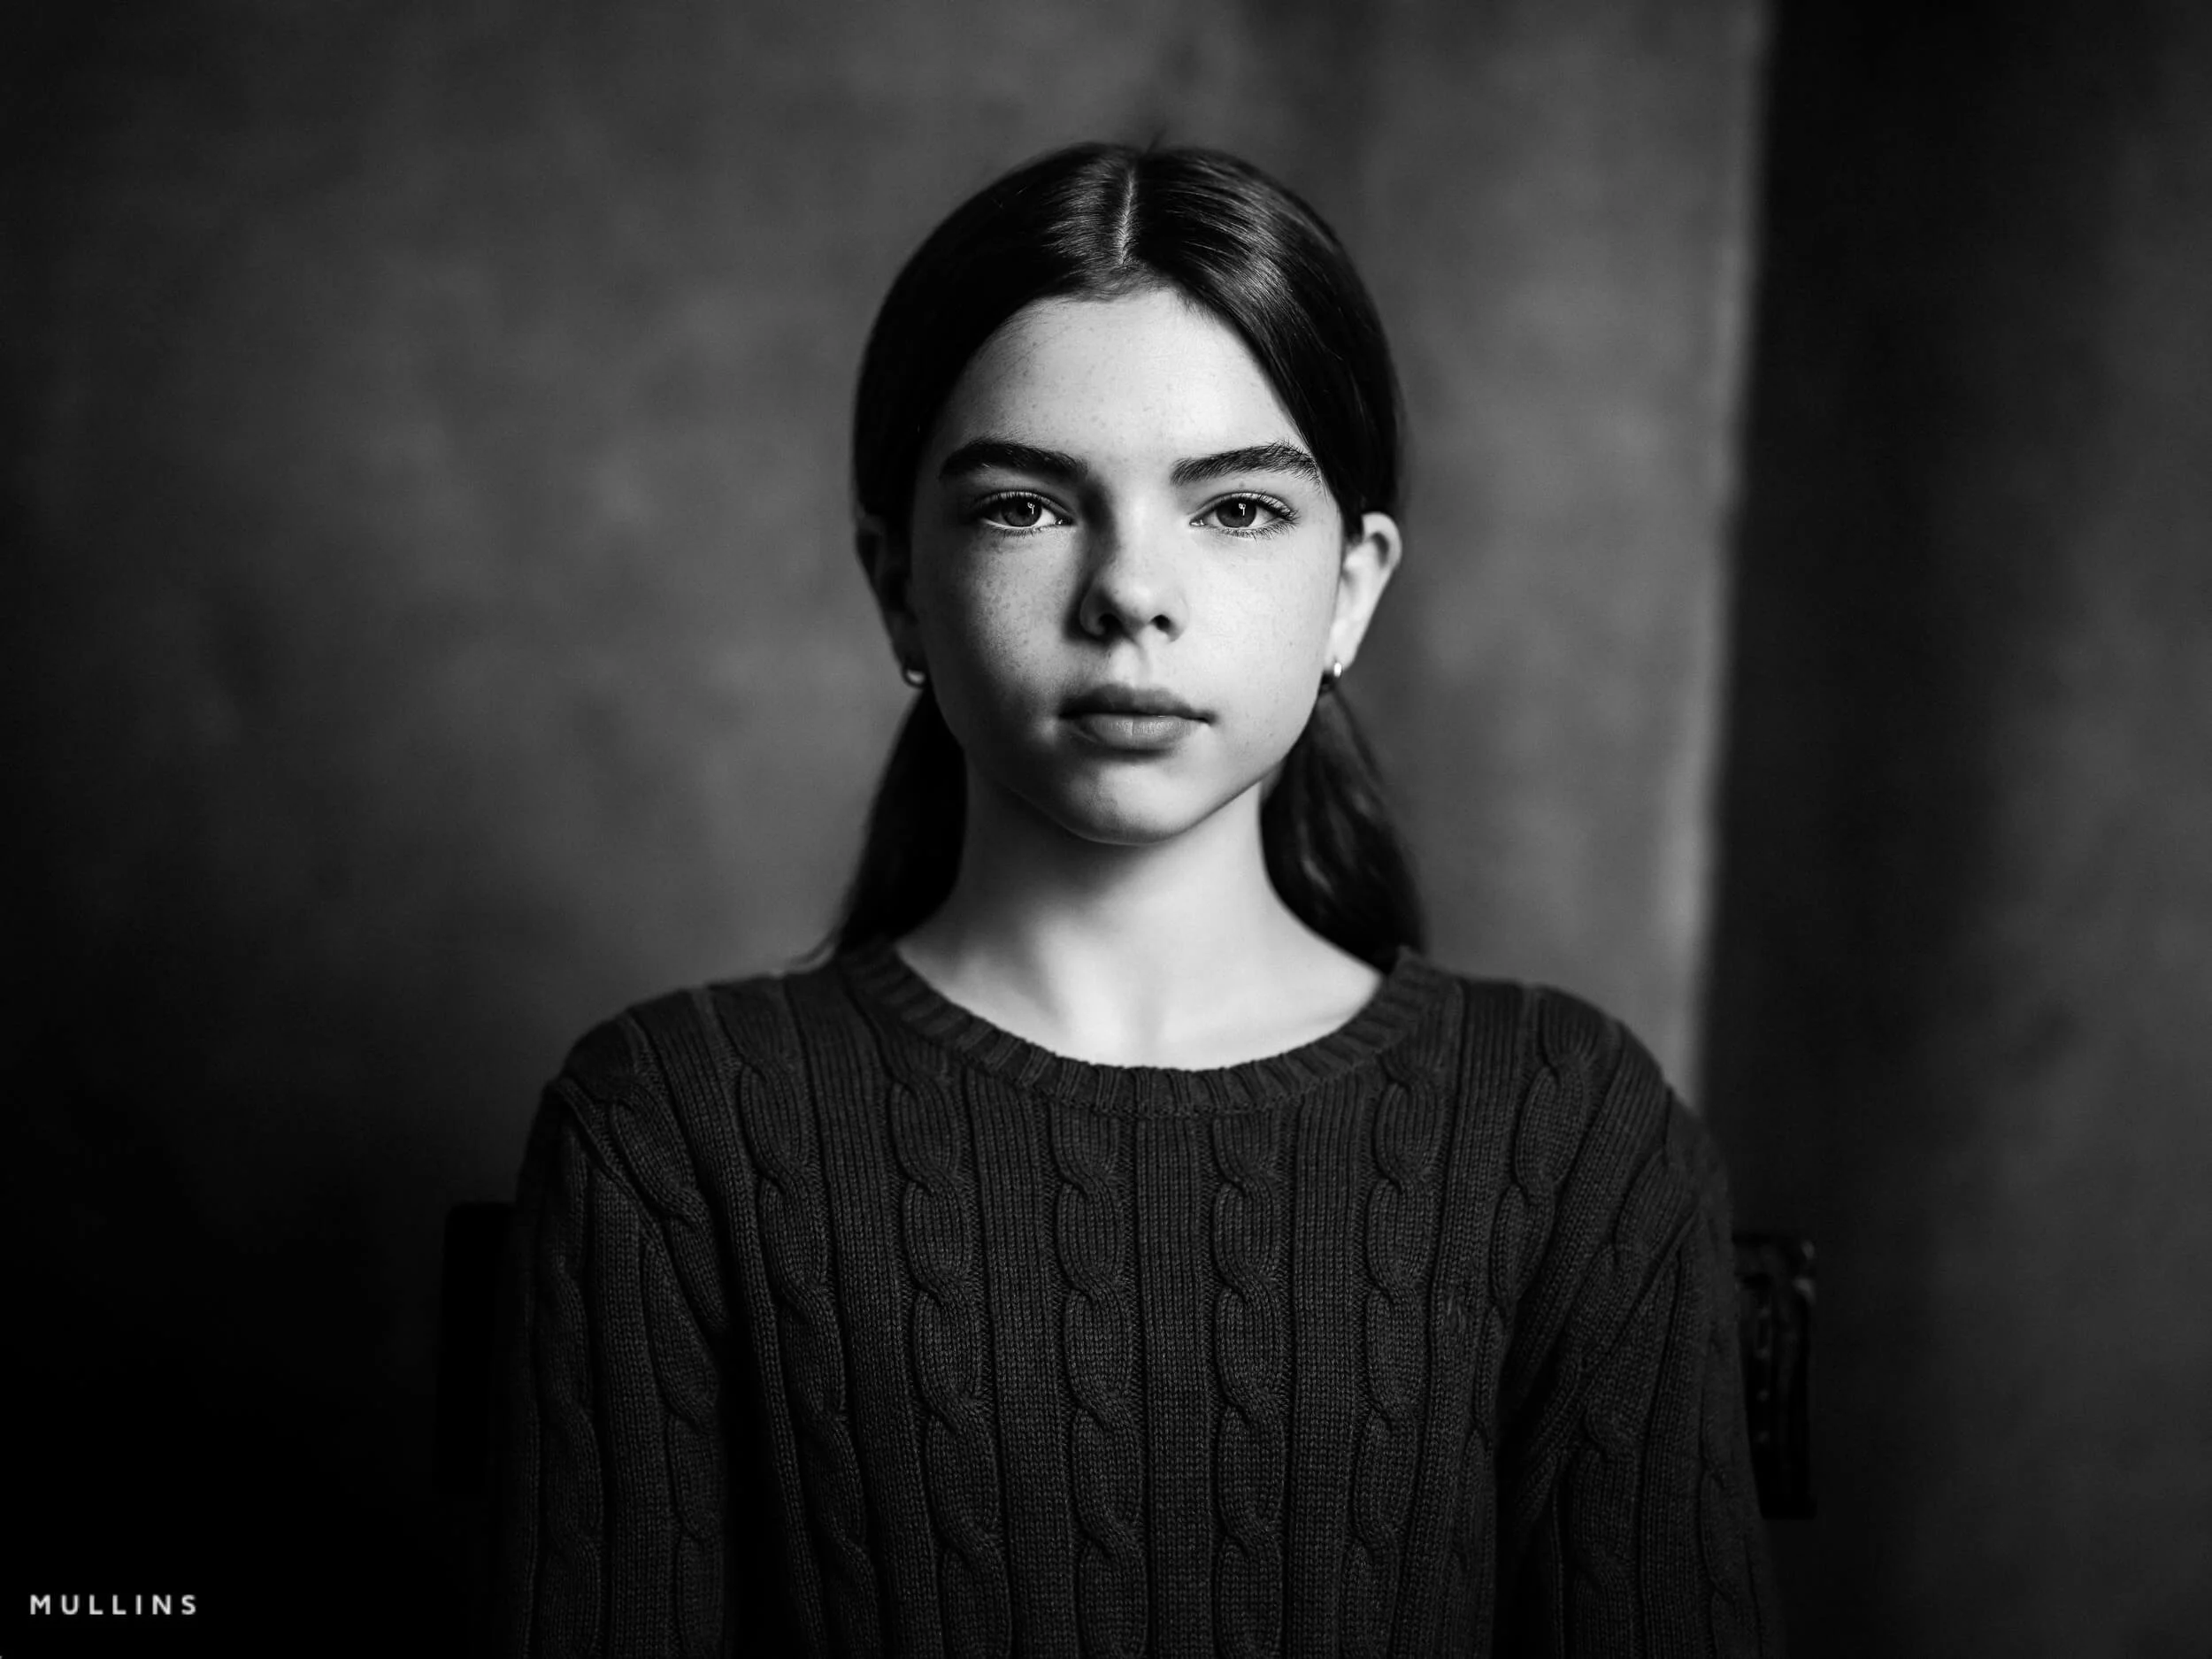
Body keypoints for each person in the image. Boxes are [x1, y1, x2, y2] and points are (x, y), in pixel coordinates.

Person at [488, 142, 1782, 1656]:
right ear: (899, 583)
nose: (1130, 592)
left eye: (1235, 510)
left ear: (1352, 585)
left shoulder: (1571, 1133)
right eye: (1028, 507)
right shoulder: (671, 1132)